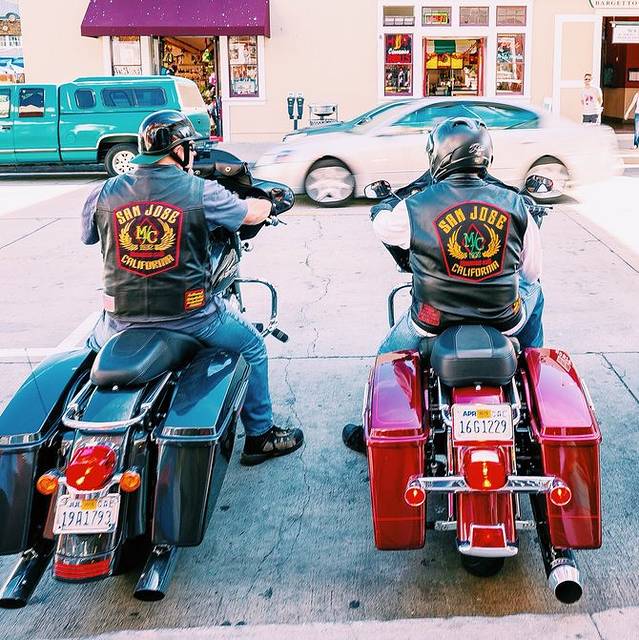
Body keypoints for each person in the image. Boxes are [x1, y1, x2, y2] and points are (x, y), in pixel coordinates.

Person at [81, 109, 304, 466]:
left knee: (87, 351)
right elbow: (248, 214)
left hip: (118, 321)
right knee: (253, 347)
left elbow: (89, 236)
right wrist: (265, 202)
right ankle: (260, 436)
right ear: (179, 150)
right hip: (192, 317)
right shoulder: (200, 191)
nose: (193, 154)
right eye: (190, 148)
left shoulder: (105, 192)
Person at [343, 117, 543, 452]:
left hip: (432, 321)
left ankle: (371, 433)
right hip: (503, 318)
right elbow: (532, 271)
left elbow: (383, 227)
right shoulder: (516, 205)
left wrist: (382, 208)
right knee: (535, 291)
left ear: (438, 155)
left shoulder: (414, 207)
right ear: (486, 156)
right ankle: (532, 363)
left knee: (385, 358)